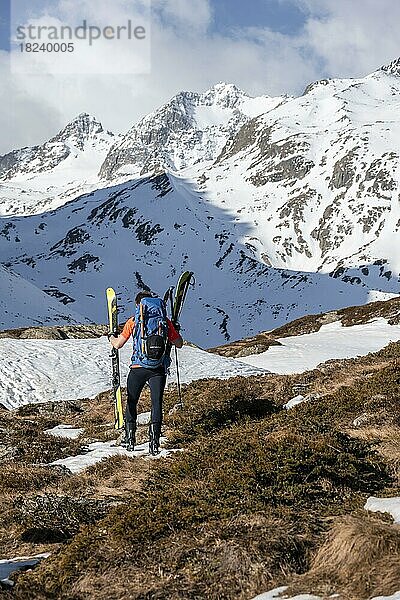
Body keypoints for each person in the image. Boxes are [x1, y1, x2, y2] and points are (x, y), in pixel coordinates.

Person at [108, 291, 183, 455]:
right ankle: (154, 443)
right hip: (158, 370)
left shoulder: (134, 321)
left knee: (132, 401)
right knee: (157, 403)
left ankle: (130, 439)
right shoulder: (164, 322)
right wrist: (175, 329)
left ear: (138, 305)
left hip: (137, 369)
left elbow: (118, 344)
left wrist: (111, 337)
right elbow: (179, 344)